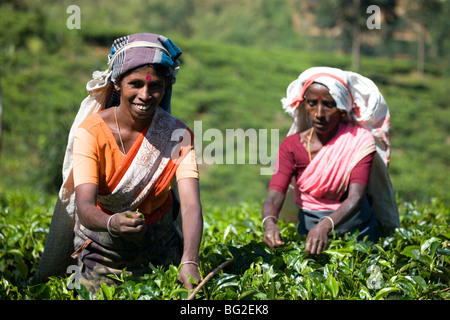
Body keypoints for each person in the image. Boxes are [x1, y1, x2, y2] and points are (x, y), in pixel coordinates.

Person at [35, 33, 202, 293]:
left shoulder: (178, 136)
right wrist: (112, 223)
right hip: (102, 252)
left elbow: (191, 204)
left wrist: (189, 259)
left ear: (165, 86)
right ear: (117, 84)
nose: (145, 95)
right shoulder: (91, 133)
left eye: (155, 86)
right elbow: (85, 205)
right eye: (135, 84)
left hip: (159, 249)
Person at [262, 67, 399, 255]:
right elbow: (274, 196)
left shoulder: (359, 140)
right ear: (304, 106)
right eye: (312, 103)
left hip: (359, 238)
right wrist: (269, 223)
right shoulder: (292, 146)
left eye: (328, 104)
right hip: (309, 238)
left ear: (343, 109)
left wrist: (324, 226)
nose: (319, 113)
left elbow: (356, 198)